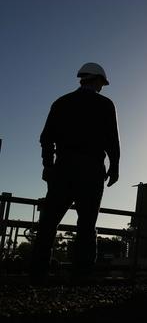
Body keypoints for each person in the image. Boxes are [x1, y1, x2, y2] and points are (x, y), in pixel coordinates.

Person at [30, 62, 120, 284]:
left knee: (49, 222)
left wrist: (48, 165)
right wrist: (115, 166)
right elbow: (112, 140)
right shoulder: (105, 105)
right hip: (91, 171)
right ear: (97, 80)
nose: (102, 87)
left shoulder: (61, 103)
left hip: (63, 169)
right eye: (102, 83)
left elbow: (46, 138)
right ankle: (81, 275)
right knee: (87, 224)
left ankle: (38, 272)